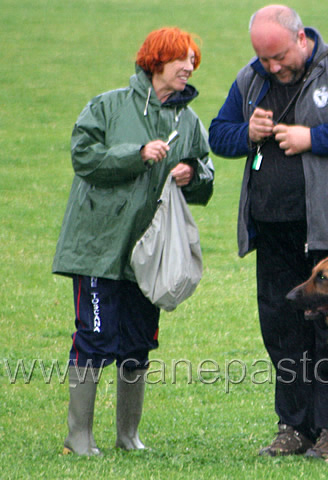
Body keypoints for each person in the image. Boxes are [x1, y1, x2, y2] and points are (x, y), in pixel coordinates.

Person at [208, 5, 328, 458]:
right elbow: (218, 134)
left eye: (278, 57)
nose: (272, 67)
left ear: (301, 39)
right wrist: (246, 133)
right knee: (282, 328)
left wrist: (314, 139)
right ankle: (293, 427)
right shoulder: (250, 80)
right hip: (274, 229)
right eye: (263, 59)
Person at [52, 27, 215, 456]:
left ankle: (128, 436)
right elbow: (83, 157)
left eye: (193, 60)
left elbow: (207, 176)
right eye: (182, 59)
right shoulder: (108, 106)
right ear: (156, 60)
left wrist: (193, 175)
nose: (190, 67)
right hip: (99, 251)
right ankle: (78, 437)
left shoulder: (189, 121)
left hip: (151, 255)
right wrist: (137, 153)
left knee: (138, 342)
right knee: (96, 336)